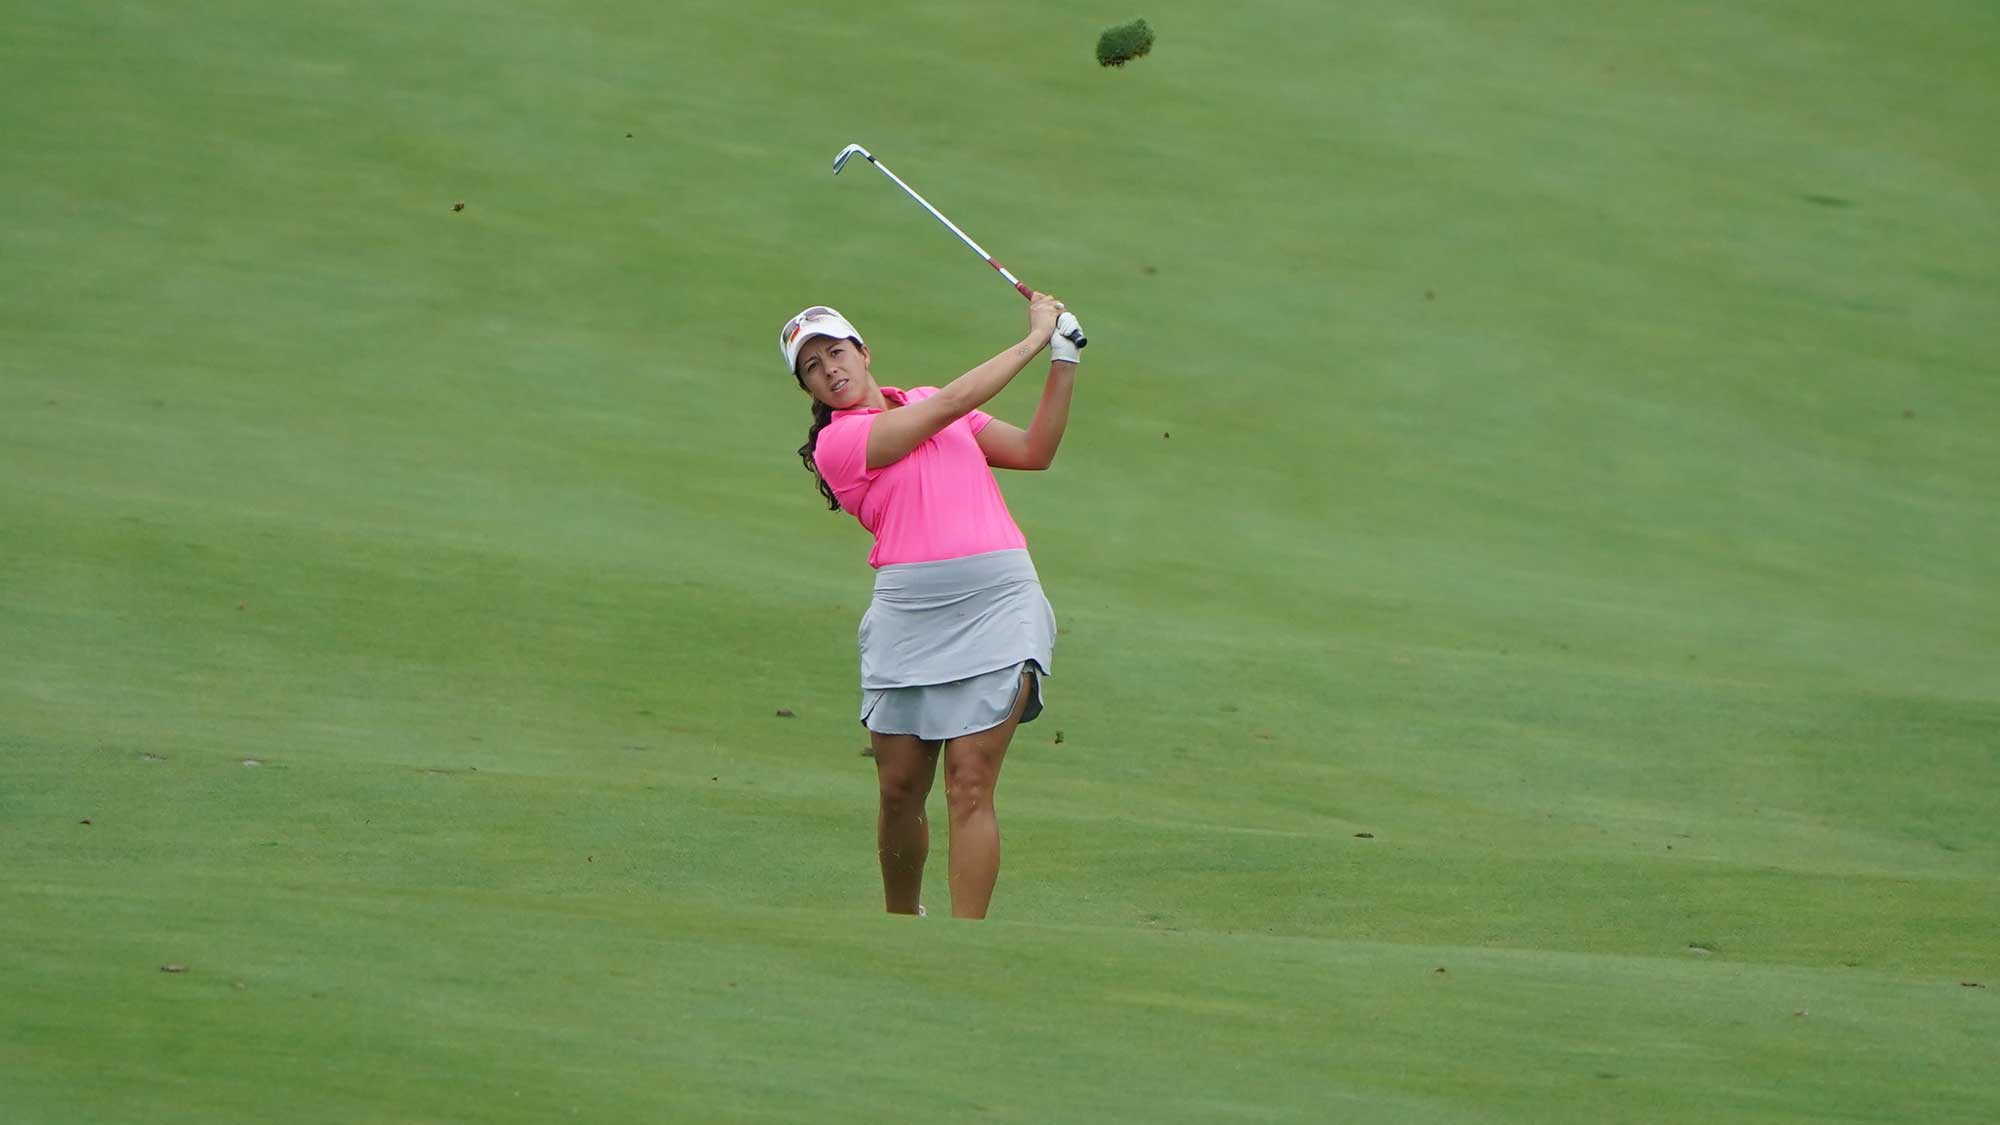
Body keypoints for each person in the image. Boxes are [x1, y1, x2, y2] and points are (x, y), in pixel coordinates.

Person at [781, 294, 1083, 919]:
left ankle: (964, 946)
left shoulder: (924, 402)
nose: (828, 369)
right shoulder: (840, 446)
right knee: (899, 790)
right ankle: (902, 925)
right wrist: (1031, 339)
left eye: (835, 352)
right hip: (910, 615)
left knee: (969, 783)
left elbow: (1035, 450)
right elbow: (953, 402)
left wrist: (1062, 358)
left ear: (863, 352)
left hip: (1000, 602)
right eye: (811, 367)